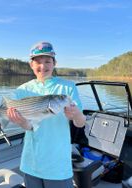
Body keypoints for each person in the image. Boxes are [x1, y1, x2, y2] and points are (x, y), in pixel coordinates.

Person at [6, 41, 86, 188]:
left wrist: (76, 114)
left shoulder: (68, 87)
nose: (43, 66)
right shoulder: (22, 90)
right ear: (31, 65)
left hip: (58, 165)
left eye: (48, 61)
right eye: (38, 62)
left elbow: (80, 123)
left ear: (54, 63)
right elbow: (28, 126)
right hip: (31, 162)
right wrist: (21, 122)